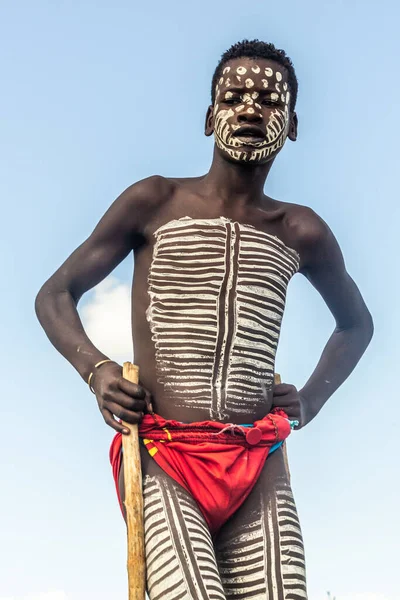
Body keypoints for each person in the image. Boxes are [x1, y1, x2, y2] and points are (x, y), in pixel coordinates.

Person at [35, 39, 373, 599]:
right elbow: (56, 293)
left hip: (256, 459)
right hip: (165, 453)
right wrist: (96, 371)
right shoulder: (155, 201)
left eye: (268, 101)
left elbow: (356, 324)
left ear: (290, 125)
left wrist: (310, 400)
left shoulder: (300, 231)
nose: (249, 110)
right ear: (210, 115)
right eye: (234, 96)